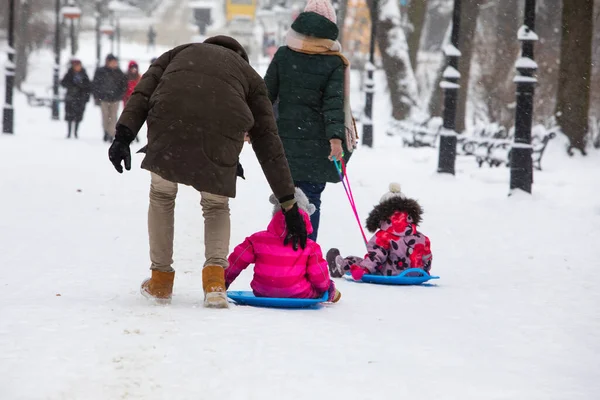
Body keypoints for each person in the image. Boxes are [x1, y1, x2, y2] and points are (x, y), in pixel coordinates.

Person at [107, 36, 307, 309]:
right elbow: (268, 142)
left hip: (169, 124)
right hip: (221, 133)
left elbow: (142, 92)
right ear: (239, 56)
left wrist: (123, 135)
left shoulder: (180, 51)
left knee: (162, 196)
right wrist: (288, 202)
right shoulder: (249, 76)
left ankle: (161, 281)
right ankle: (214, 282)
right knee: (215, 205)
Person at [264, 0, 358, 242]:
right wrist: (336, 139)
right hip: (319, 146)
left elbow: (264, 96)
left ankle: (280, 256)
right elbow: (333, 105)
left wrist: (253, 127)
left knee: (285, 198)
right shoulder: (334, 62)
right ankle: (305, 257)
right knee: (311, 200)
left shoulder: (284, 55)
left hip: (284, 144)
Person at [226, 188, 341, 302]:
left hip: (263, 291)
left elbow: (237, 260)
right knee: (324, 288)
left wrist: (223, 280)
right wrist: (325, 287)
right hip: (299, 293)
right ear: (307, 214)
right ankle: (332, 293)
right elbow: (318, 275)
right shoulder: (309, 246)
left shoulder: (257, 240)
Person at [327, 183, 433, 280]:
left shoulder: (383, 237)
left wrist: (364, 270)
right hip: (415, 274)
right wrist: (424, 271)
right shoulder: (421, 238)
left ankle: (340, 267)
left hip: (388, 274)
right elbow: (427, 258)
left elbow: (376, 257)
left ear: (382, 213)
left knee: (355, 261)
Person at [92, 54, 127, 142]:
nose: (114, 64)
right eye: (112, 62)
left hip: (115, 98)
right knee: (105, 116)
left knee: (113, 116)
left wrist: (120, 94)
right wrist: (97, 96)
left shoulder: (119, 73)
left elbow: (124, 85)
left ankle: (111, 133)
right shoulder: (101, 72)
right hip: (104, 98)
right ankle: (106, 131)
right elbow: (95, 84)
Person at [60, 59, 91, 139]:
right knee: (69, 114)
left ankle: (76, 132)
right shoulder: (69, 74)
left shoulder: (84, 75)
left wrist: (82, 87)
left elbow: (88, 86)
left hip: (80, 98)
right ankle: (69, 132)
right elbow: (63, 83)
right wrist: (71, 86)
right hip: (71, 97)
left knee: (78, 115)